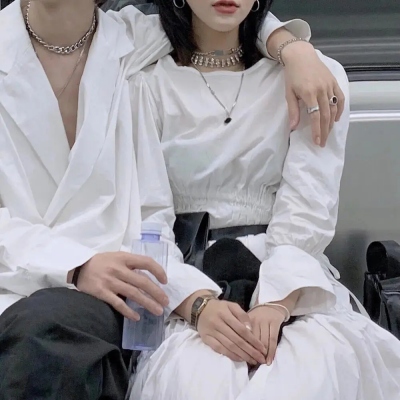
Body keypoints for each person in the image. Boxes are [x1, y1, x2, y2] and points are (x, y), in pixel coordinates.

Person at [0, 0, 347, 399]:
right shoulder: (141, 64)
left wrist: (294, 50)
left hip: (124, 289)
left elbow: (225, 21)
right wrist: (74, 266)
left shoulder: (130, 40)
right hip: (25, 282)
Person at [128, 0, 400, 399]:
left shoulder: (311, 77)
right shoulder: (145, 84)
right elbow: (145, 219)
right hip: (184, 280)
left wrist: (276, 302)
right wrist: (196, 305)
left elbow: (309, 206)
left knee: (308, 372)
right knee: (198, 380)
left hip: (290, 278)